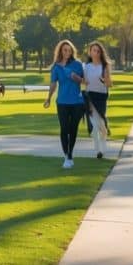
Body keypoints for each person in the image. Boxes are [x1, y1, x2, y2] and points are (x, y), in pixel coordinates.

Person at [43, 39, 85, 168]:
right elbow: (53, 84)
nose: (67, 52)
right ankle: (66, 155)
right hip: (62, 102)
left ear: (72, 51)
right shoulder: (56, 67)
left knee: (73, 129)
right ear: (61, 51)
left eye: (69, 50)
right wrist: (48, 98)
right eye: (65, 50)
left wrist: (74, 76)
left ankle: (70, 154)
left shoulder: (77, 64)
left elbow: (83, 81)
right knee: (64, 129)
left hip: (77, 102)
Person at [83, 41, 113, 159]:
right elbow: (84, 82)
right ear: (90, 52)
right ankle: (98, 150)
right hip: (90, 97)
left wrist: (105, 80)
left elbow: (110, 84)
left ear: (101, 53)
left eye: (98, 51)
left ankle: (103, 145)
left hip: (101, 98)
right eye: (93, 50)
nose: (96, 53)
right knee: (94, 125)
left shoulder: (105, 66)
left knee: (101, 125)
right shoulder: (86, 67)